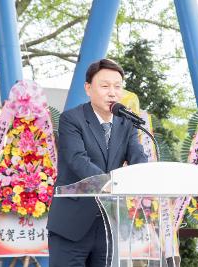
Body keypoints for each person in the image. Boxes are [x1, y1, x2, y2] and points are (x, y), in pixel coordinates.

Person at [47, 59, 148, 267]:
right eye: (105, 86)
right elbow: (77, 160)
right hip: (71, 226)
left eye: (117, 86)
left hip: (109, 225)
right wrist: (111, 184)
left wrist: (147, 175)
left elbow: (137, 156)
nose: (112, 92)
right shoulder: (71, 119)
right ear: (88, 88)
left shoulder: (127, 122)